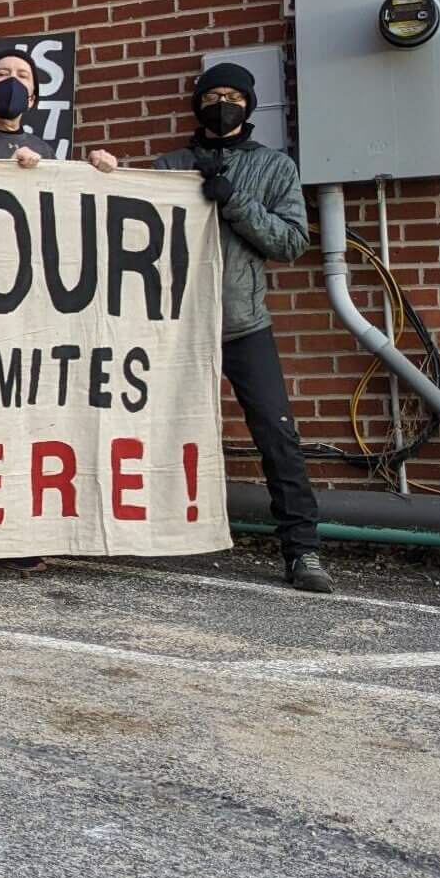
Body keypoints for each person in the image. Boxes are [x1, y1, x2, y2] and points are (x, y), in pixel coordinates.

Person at [156, 63, 330, 593]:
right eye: (212, 95)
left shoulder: (275, 168)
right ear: (198, 104)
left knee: (276, 434)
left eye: (233, 95)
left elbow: (290, 242)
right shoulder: (170, 166)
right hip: (176, 326)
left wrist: (235, 201)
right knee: (152, 428)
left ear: (250, 104)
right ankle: (141, 531)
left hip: (243, 323)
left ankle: (303, 551)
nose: (222, 104)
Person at [0, 50, 118, 173]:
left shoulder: (43, 151)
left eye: (23, 76)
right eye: (1, 74)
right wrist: (8, 172)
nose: (12, 81)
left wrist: (94, 171)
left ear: (31, 99)